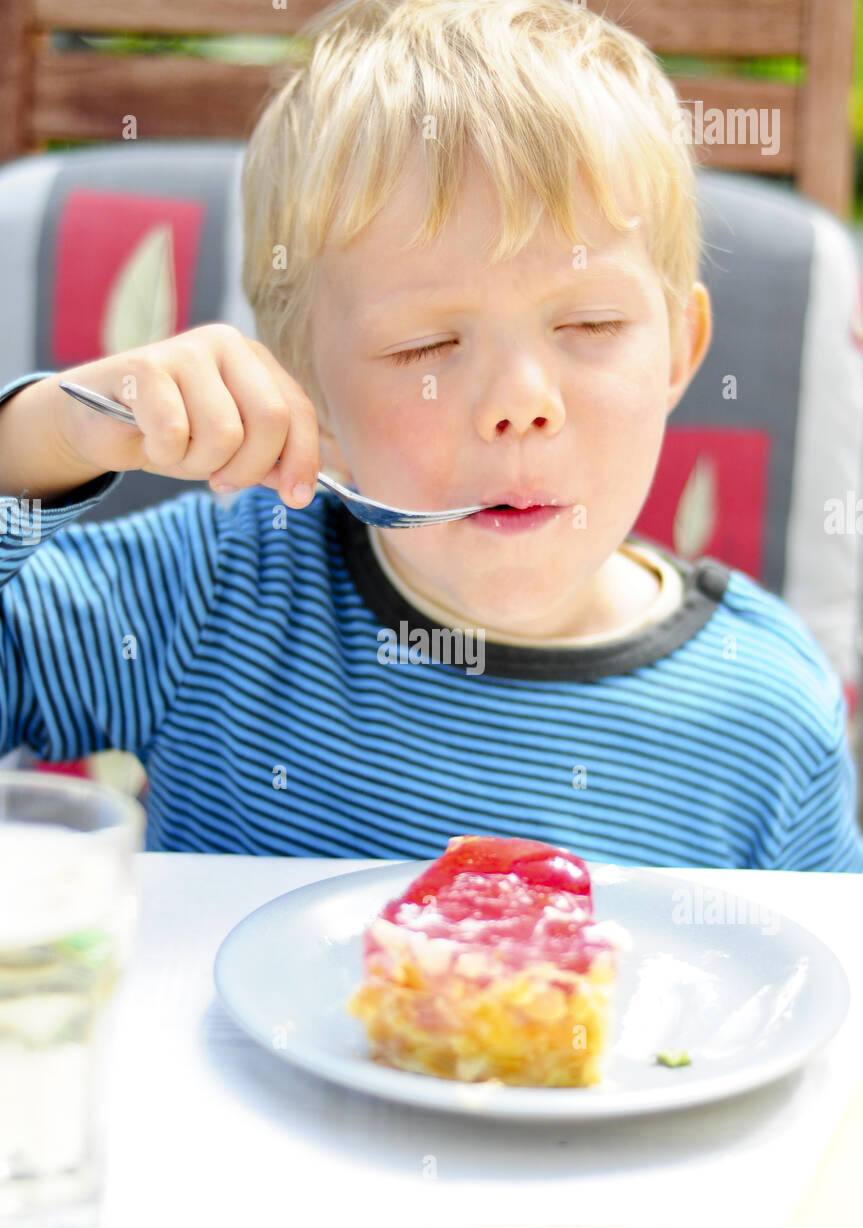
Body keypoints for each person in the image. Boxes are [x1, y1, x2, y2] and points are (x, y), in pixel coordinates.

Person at [1, 0, 861, 868]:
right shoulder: (214, 601)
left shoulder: (768, 711)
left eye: (590, 325)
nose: (520, 403)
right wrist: (47, 436)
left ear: (681, 350)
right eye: (428, 345)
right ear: (304, 390)